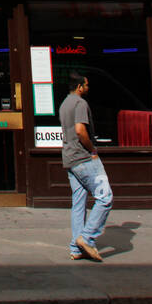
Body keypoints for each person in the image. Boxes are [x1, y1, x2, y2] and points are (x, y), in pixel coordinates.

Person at [60, 71, 112, 262]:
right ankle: (87, 238)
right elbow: (81, 130)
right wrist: (92, 150)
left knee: (79, 202)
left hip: (70, 158)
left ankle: (75, 247)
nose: (88, 88)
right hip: (83, 158)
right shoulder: (80, 103)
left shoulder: (65, 103)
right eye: (87, 85)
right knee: (105, 197)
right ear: (80, 86)